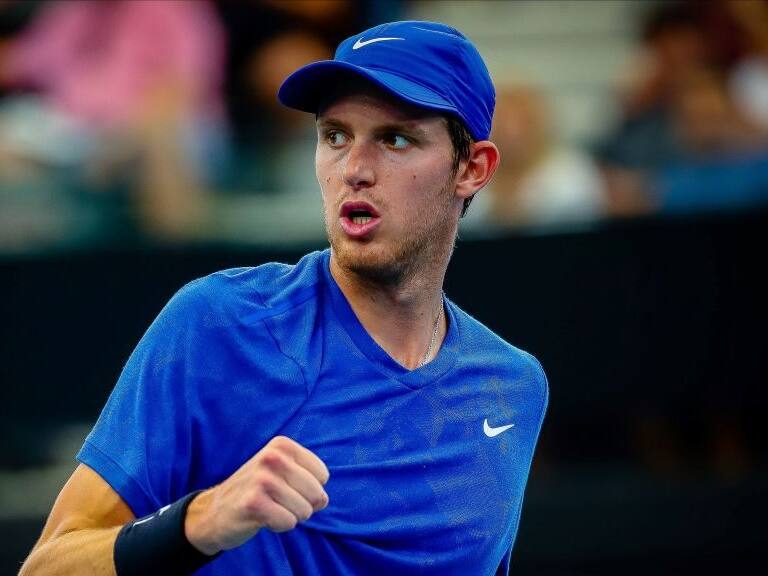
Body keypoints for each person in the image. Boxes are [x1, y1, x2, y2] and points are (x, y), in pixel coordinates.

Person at [19, 21, 548, 576]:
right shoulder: (219, 325)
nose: (355, 170)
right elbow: (46, 568)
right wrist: (201, 520)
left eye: (395, 139)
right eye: (336, 135)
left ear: (472, 169)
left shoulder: (513, 387)